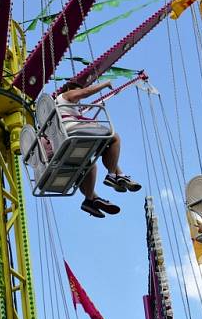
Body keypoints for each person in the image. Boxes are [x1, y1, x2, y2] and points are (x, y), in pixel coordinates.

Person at [55, 81, 141, 218]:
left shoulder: (66, 108)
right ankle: (113, 175)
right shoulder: (65, 96)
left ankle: (91, 199)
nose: (79, 98)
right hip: (74, 131)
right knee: (114, 137)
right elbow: (85, 92)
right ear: (70, 90)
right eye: (77, 91)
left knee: (91, 165)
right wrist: (104, 84)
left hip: (70, 134)